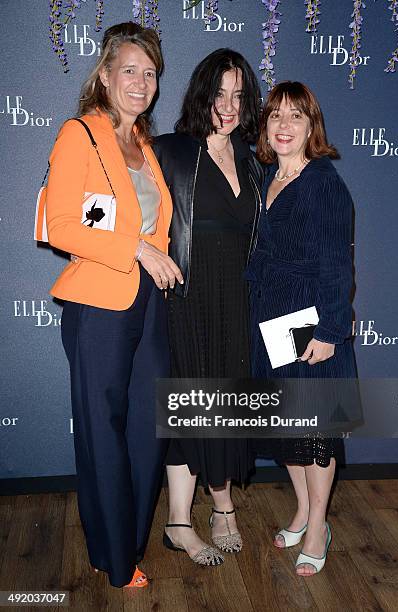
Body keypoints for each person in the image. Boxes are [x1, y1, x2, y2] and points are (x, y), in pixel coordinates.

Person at [45, 22, 182, 588]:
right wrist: (137, 249)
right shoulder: (80, 134)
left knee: (147, 431)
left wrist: (156, 258)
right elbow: (61, 227)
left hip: (149, 302)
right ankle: (115, 558)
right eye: (129, 69)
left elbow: (159, 223)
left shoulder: (145, 146)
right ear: (104, 75)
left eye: (150, 73)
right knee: (103, 431)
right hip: (99, 301)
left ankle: (127, 543)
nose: (141, 81)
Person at [153, 49, 263, 566]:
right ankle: (179, 520)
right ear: (202, 93)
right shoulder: (171, 151)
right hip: (190, 296)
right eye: (220, 92)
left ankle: (221, 507)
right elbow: (134, 213)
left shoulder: (250, 157)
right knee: (190, 401)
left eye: (239, 95)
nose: (229, 104)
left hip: (237, 296)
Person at [247, 81, 357, 576]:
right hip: (271, 315)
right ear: (266, 128)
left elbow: (338, 265)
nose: (284, 126)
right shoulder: (267, 175)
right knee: (287, 427)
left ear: (312, 126)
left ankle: (318, 525)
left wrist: (331, 330)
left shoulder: (324, 183)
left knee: (316, 432)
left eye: (296, 116)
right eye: (275, 117)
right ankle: (301, 508)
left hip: (310, 321)